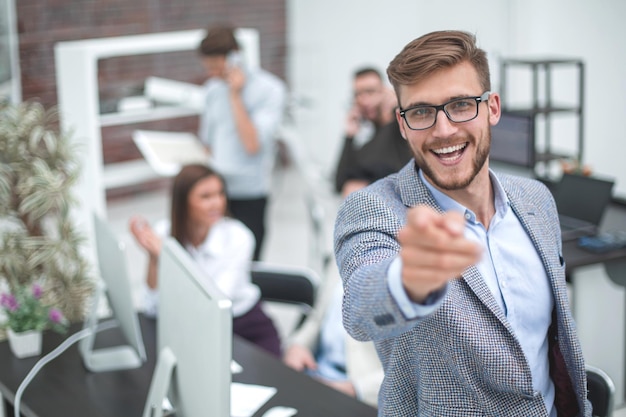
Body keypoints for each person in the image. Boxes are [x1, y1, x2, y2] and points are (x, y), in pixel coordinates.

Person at [334, 30, 590, 416]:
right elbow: (359, 309)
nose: (443, 130)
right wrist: (408, 281)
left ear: (493, 108)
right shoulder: (372, 209)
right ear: (402, 124)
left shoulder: (536, 200)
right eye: (421, 112)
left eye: (460, 105)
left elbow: (555, 348)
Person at [129, 164, 281, 357]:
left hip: (244, 328)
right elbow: (152, 307)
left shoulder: (239, 237)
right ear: (183, 201)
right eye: (206, 197)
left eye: (220, 194)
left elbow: (214, 303)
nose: (217, 203)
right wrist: (153, 257)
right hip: (192, 329)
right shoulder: (164, 233)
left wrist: (170, 258)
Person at [197, 25, 288, 260]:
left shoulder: (270, 90)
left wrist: (235, 95)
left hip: (250, 193)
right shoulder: (211, 90)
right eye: (209, 68)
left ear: (234, 57)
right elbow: (207, 142)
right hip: (217, 192)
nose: (213, 74)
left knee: (248, 264)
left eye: (216, 67)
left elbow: (252, 143)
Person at [282, 268, 383, 407]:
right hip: (316, 375)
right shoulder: (345, 251)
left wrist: (355, 389)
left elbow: (415, 371)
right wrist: (298, 345)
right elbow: (318, 318)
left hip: (364, 396)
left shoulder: (411, 271)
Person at [334, 67, 412, 198]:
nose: (364, 100)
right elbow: (339, 183)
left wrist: (392, 112)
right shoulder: (368, 142)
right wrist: (349, 136)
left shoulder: (402, 128)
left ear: (385, 92)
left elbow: (385, 165)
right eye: (357, 94)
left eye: (370, 92)